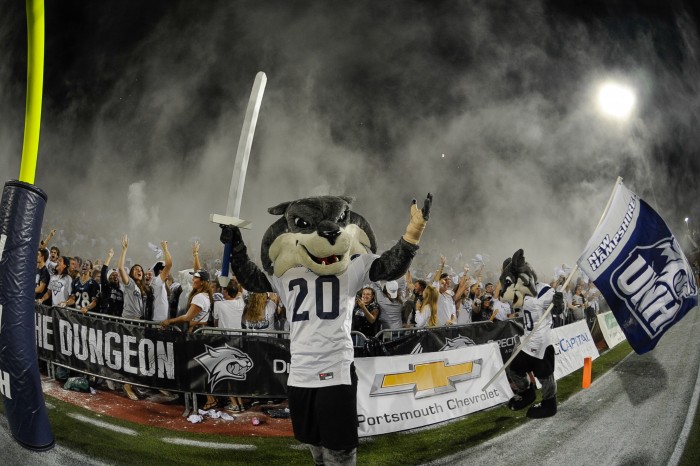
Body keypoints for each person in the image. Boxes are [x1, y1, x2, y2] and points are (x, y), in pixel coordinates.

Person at [117, 235, 148, 320]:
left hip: (139, 322)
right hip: (128, 321)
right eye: (136, 269)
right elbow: (120, 268)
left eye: (141, 270)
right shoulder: (130, 283)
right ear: (131, 273)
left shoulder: (143, 288)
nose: (139, 271)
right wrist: (124, 250)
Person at [150, 241, 173, 323]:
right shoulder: (157, 281)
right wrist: (165, 248)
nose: (168, 272)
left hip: (162, 319)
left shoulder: (160, 282)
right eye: (165, 270)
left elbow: (169, 293)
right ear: (160, 271)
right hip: (158, 321)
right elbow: (169, 264)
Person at [99, 248, 124, 316]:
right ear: (108, 278)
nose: (115, 276)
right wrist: (109, 257)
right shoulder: (106, 287)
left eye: (116, 275)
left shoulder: (122, 290)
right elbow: (103, 272)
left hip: (118, 321)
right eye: (112, 275)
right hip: (106, 321)